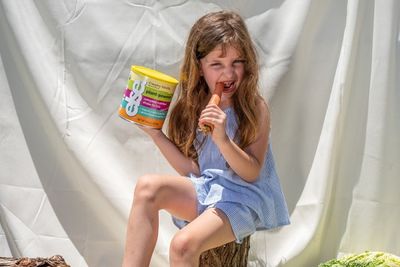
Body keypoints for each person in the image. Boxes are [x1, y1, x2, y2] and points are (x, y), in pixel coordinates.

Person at [122, 10, 290, 267]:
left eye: (237, 62)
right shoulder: (194, 106)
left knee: (182, 245)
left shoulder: (254, 107)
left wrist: (223, 139)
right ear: (199, 68)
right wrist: (155, 134)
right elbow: (194, 170)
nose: (229, 74)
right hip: (209, 188)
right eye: (217, 65)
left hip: (243, 197)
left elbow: (252, 172)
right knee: (147, 187)